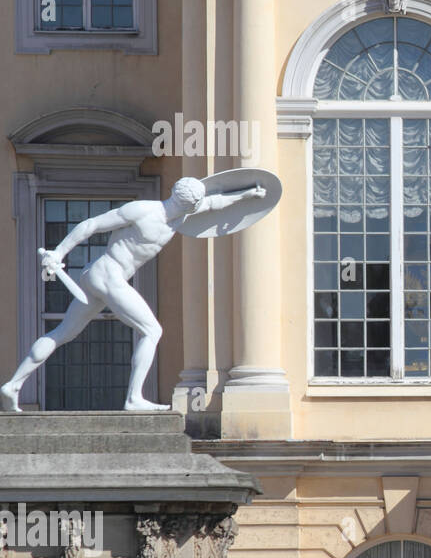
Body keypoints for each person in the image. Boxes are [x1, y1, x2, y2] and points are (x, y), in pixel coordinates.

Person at [0, 177, 264, 412]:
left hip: (99, 278)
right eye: (193, 204)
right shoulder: (143, 210)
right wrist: (59, 252)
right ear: (182, 200)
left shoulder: (180, 216)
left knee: (62, 334)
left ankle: (13, 385)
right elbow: (91, 224)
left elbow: (214, 202)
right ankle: (134, 399)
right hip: (108, 275)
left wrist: (248, 194)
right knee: (152, 331)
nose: (196, 207)